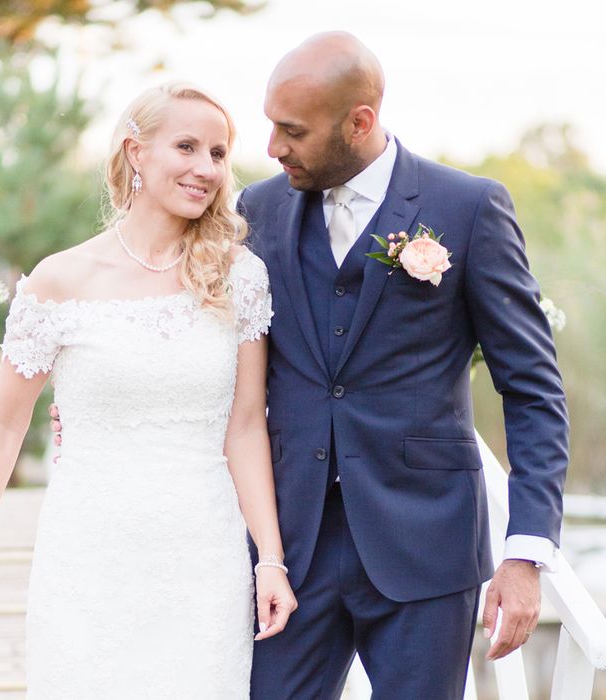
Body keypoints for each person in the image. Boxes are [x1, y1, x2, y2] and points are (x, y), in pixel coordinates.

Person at [0, 81, 297, 699]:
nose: (206, 168)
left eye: (219, 153)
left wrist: (270, 560)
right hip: (89, 551)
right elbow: (3, 423)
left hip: (201, 556)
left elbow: (247, 426)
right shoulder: (61, 278)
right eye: (187, 146)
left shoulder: (240, 276)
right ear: (134, 152)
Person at [236, 32, 569, 699]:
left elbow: (532, 390)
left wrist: (525, 552)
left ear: (359, 121)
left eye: (292, 130)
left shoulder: (467, 209)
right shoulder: (258, 210)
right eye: (271, 125)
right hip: (286, 548)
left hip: (426, 546)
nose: (273, 147)